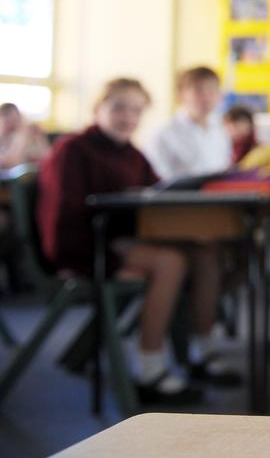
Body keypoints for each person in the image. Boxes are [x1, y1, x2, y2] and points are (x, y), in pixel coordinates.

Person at [38, 79, 239, 405]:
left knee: (205, 252)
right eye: (118, 107)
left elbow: (158, 199)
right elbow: (61, 219)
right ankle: (150, 370)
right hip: (84, 250)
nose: (127, 116)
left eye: (136, 110)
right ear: (97, 109)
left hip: (122, 243)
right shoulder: (72, 150)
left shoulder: (132, 154)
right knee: (170, 262)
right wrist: (111, 246)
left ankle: (204, 352)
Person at [145, 67, 233, 180]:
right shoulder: (163, 133)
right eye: (198, 90)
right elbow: (158, 179)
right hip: (180, 196)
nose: (206, 97)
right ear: (180, 95)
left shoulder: (222, 129)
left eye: (212, 90)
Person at [0, 102, 50, 169]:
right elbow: (10, 162)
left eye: (15, 119)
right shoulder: (8, 135)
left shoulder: (27, 132)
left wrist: (37, 137)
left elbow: (48, 157)